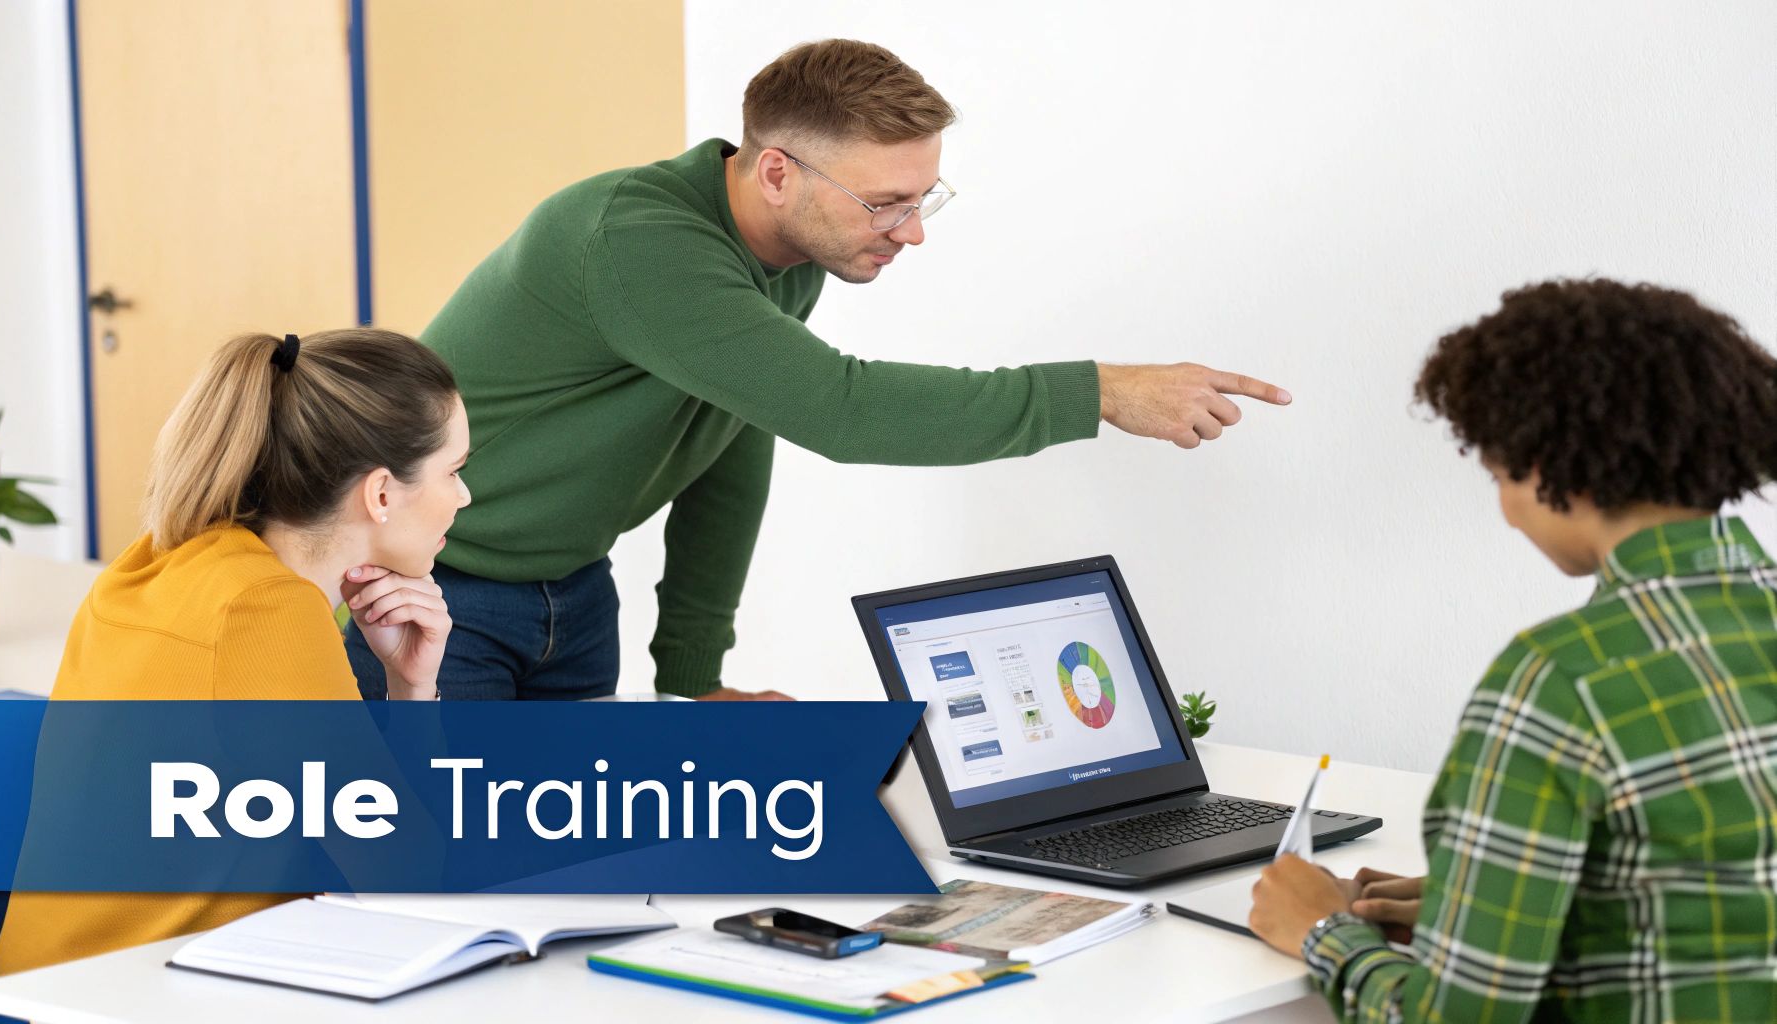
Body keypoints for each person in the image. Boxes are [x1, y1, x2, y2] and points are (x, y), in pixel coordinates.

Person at [346, 38, 1293, 704]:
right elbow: (842, 412)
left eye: (925, 200)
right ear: (775, 174)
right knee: (440, 894)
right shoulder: (641, 243)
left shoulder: (785, 258)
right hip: (429, 597)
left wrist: (693, 675)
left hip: (571, 593)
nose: (911, 232)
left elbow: (730, 455)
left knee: (560, 891)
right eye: (886, 204)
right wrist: (1102, 391)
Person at [1247, 279, 1777, 1022]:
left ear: (1554, 465)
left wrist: (1321, 930)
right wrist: (1472, 907)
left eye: (1499, 475)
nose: (1505, 512)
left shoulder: (1562, 682)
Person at [0, 329, 469, 975]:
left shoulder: (164, 560)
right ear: (381, 493)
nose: (465, 497)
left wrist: (405, 678)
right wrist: (415, 695)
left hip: (47, 990)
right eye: (455, 471)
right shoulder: (264, 613)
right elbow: (411, 880)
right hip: (125, 1002)